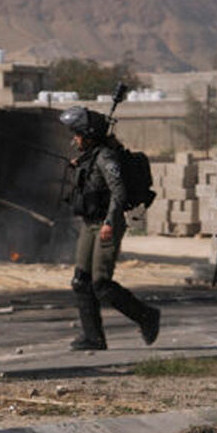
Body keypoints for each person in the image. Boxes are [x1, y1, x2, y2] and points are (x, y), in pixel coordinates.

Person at [59, 106, 161, 351]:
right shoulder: (89, 157)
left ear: (89, 135)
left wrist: (109, 222)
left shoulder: (106, 157)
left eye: (77, 135)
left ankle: (146, 316)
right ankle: (93, 337)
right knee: (80, 281)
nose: (74, 139)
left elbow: (119, 192)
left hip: (106, 224)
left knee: (101, 284)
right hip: (89, 224)